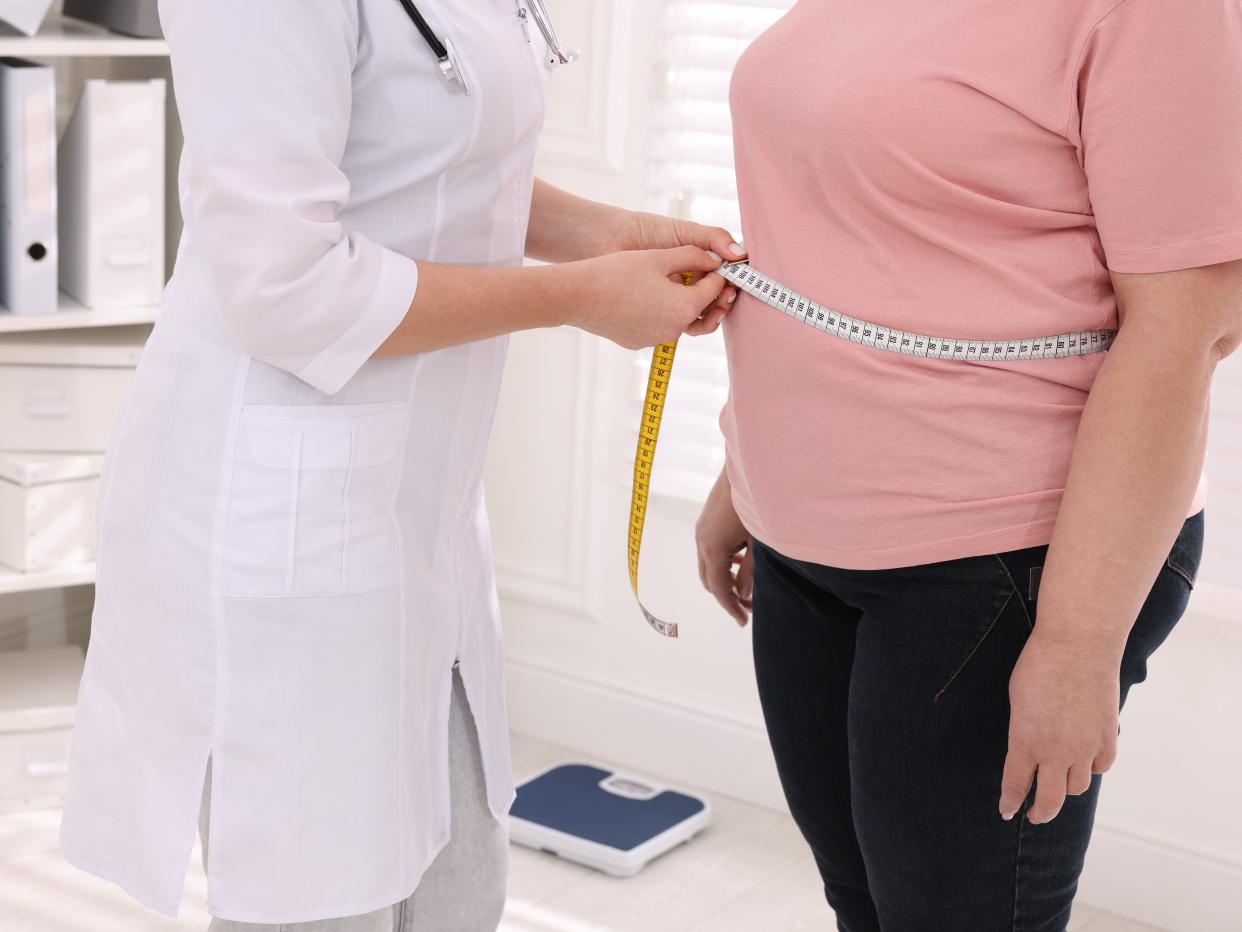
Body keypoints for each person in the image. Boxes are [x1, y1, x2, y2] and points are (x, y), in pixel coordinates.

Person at [59, 1, 743, 930]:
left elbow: (435, 152)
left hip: (420, 507)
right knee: (322, 900)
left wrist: (609, 235)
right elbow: (286, 286)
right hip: (285, 516)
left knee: (459, 890)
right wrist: (579, 297)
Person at [695, 1, 1242, 929]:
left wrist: (1077, 644)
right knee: (861, 903)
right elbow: (852, 243)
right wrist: (740, 472)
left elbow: (1188, 327)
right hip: (804, 539)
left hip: (1002, 563)